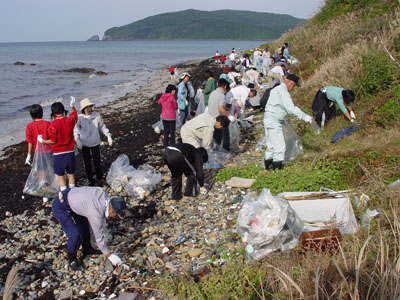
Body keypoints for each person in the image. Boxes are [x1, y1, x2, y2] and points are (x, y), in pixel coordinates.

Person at [52, 186, 127, 270]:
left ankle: (87, 248)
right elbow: (99, 237)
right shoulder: (95, 213)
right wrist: (110, 255)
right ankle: (72, 259)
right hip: (62, 205)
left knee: (85, 227)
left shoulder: (102, 194)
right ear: (110, 209)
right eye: (115, 215)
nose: (114, 217)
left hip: (76, 200)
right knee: (75, 235)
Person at [263, 74, 313, 170]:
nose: (293, 88)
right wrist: (305, 117)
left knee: (271, 145)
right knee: (279, 146)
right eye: (294, 85)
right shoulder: (283, 91)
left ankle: (267, 168)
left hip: (268, 118)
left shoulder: (276, 89)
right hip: (274, 120)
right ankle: (276, 170)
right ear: (289, 82)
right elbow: (290, 108)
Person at [74, 98, 113, 186]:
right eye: (86, 107)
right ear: (83, 109)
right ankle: (90, 179)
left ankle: (100, 177)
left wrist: (108, 135)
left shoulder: (96, 116)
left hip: (95, 142)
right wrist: (77, 139)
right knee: (87, 163)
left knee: (97, 162)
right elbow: (76, 130)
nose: (88, 109)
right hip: (84, 144)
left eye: (89, 107)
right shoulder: (80, 118)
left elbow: (102, 127)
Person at [44, 98, 78, 191]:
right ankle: (73, 193)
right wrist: (72, 106)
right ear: (63, 111)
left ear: (53, 113)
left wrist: (43, 141)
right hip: (70, 152)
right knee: (71, 175)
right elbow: (75, 115)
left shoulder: (53, 124)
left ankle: (64, 195)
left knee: (61, 177)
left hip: (59, 154)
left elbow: (53, 141)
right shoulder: (69, 120)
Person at [25, 104, 52, 202]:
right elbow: (51, 138)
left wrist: (28, 155)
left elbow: (30, 142)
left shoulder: (29, 126)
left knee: (41, 172)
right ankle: (50, 188)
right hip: (49, 150)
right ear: (42, 113)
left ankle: (44, 193)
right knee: (50, 170)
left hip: (38, 153)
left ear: (31, 115)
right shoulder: (48, 124)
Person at [207, 78, 235, 151]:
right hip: (218, 119)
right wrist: (229, 116)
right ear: (225, 86)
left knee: (214, 137)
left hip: (210, 117)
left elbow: (216, 105)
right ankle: (225, 151)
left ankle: (214, 151)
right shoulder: (221, 95)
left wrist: (225, 108)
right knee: (225, 135)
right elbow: (220, 108)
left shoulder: (212, 93)